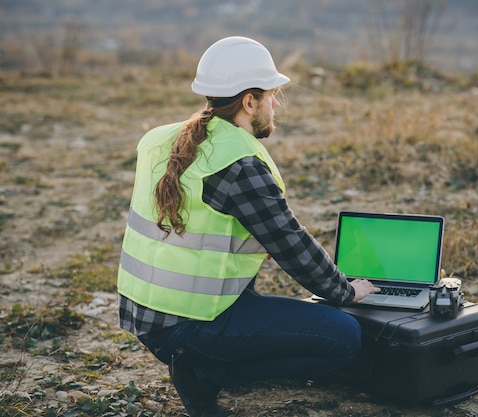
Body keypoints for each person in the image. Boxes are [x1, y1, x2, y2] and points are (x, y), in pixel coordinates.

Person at [117, 36, 379, 417]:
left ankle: (202, 359)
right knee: (343, 337)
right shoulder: (238, 164)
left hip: (145, 314)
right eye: (272, 95)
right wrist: (344, 291)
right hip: (187, 328)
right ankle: (205, 371)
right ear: (249, 101)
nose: (276, 105)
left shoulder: (160, 138)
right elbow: (290, 243)